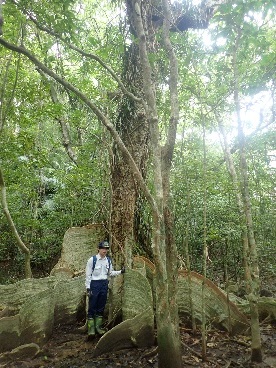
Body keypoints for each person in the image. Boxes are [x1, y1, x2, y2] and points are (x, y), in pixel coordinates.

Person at [85, 240, 125, 337]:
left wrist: (120, 271)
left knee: (101, 307)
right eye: (103, 248)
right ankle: (91, 329)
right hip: (94, 285)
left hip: (104, 284)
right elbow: (88, 275)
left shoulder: (108, 260)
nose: (105, 250)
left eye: (106, 248)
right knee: (92, 306)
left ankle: (98, 328)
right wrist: (88, 288)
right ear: (98, 249)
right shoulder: (92, 260)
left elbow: (110, 273)